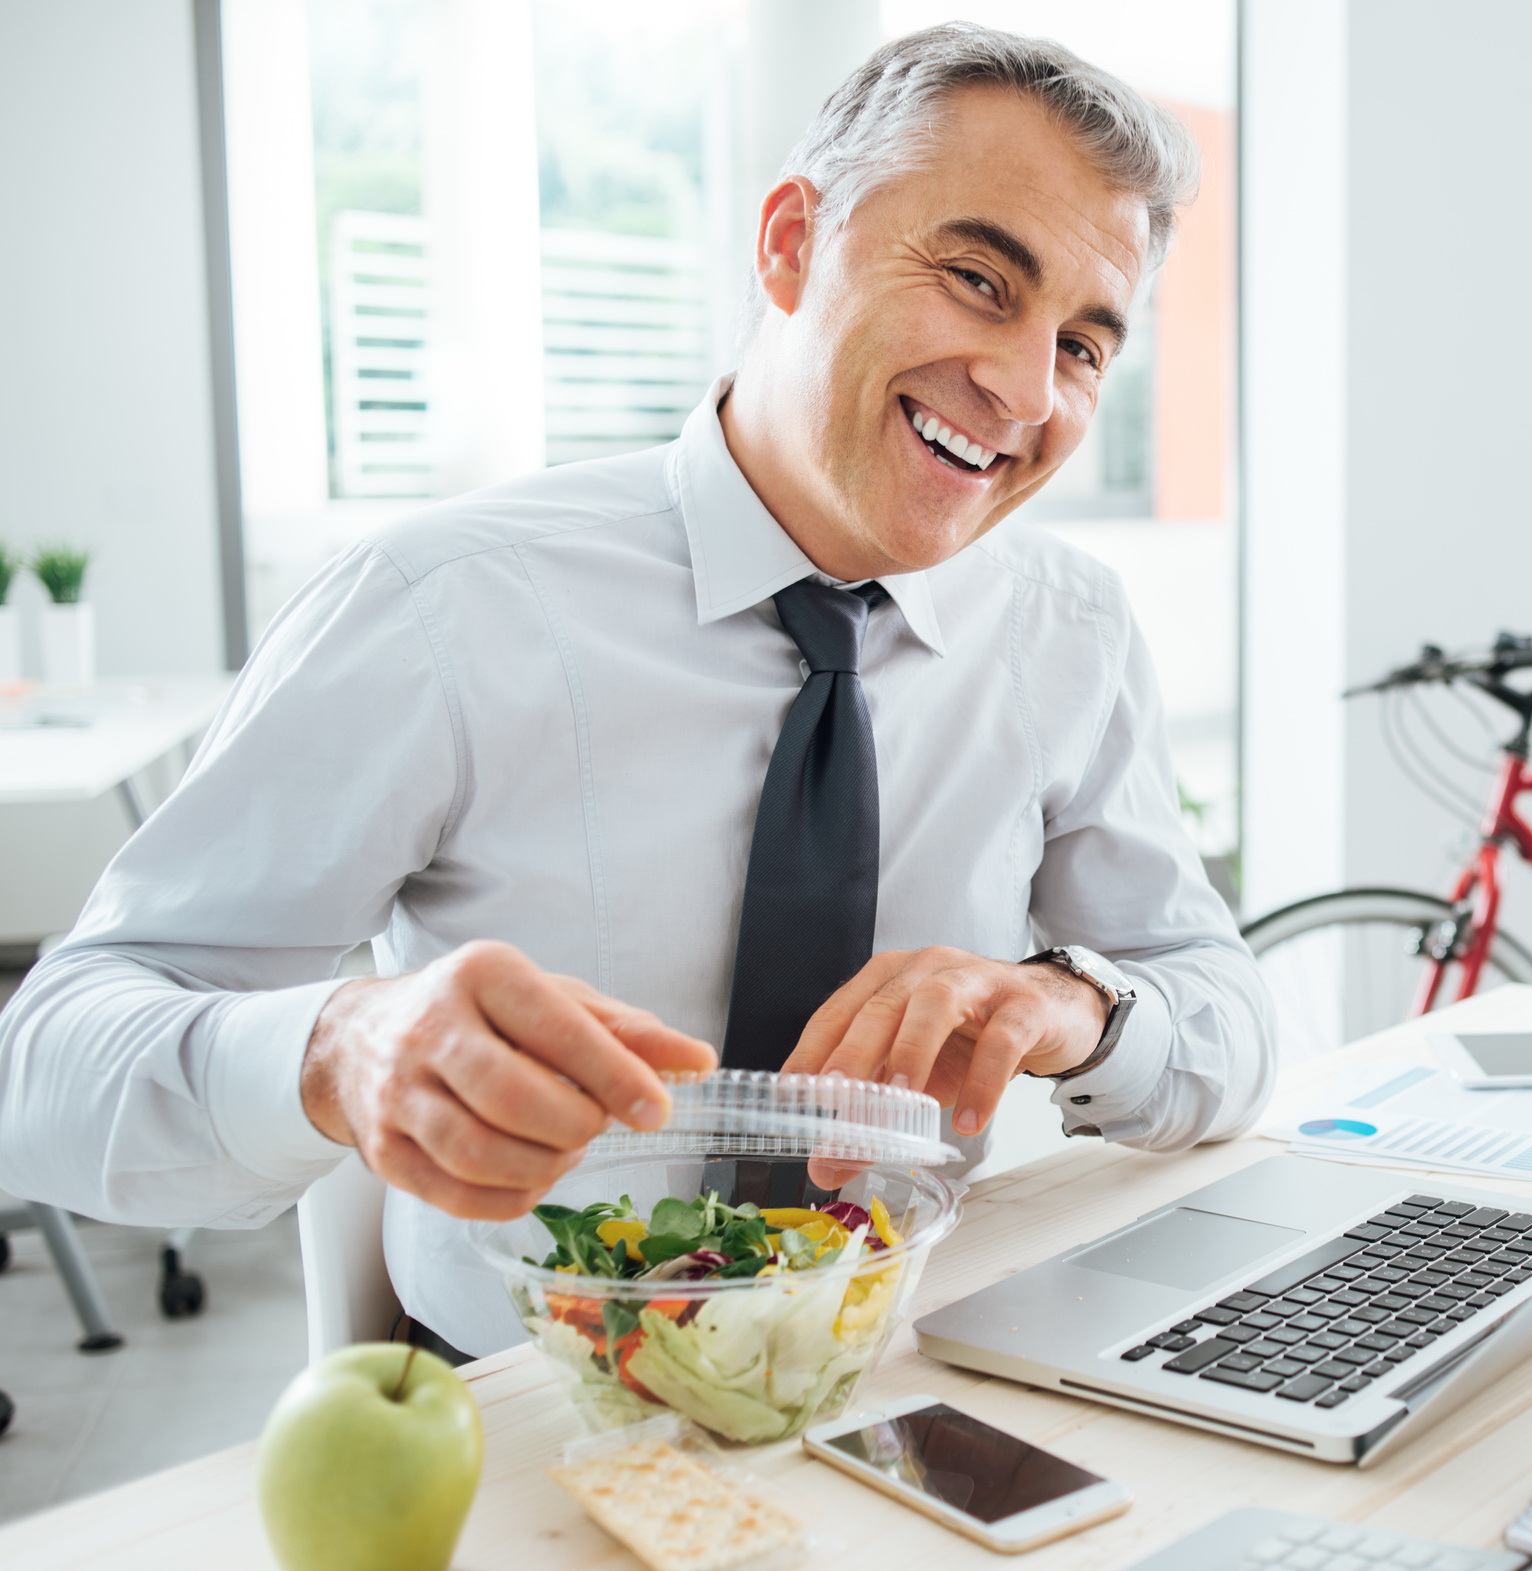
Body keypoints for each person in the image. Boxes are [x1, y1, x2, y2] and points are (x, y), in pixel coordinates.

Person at [0, 24, 1273, 1359]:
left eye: (1082, 346)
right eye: (975, 279)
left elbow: (1228, 1019)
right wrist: (337, 1051)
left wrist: (1078, 1006)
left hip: (901, 1383)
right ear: (789, 242)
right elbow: (48, 1071)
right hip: (534, 1412)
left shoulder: (1069, 633)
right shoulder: (441, 607)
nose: (1023, 391)